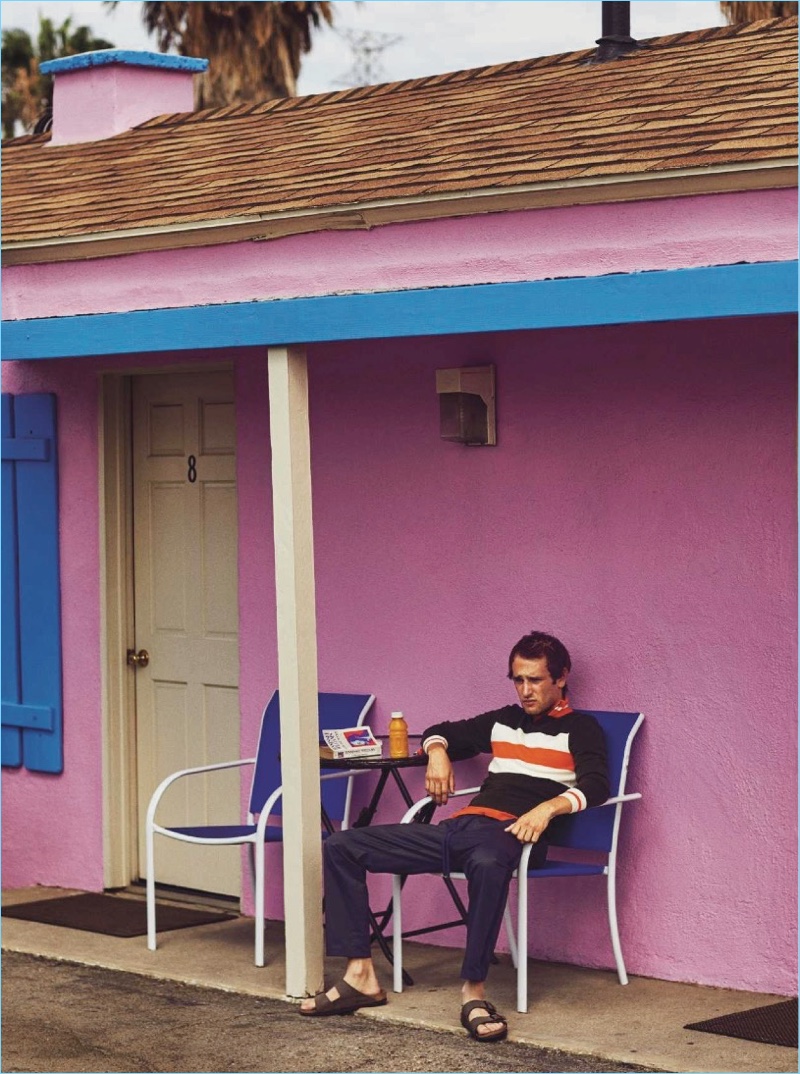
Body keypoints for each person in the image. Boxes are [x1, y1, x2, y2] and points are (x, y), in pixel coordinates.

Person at [299, 630, 609, 1042]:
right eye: (518, 680)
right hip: (460, 827)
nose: (525, 691)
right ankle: (360, 976)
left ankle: (474, 994)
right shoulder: (503, 721)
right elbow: (441, 730)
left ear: (561, 677)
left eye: (535, 680)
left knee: (485, 862)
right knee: (342, 845)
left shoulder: (581, 728)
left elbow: (597, 785)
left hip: (515, 833)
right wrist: (438, 753)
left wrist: (547, 808)